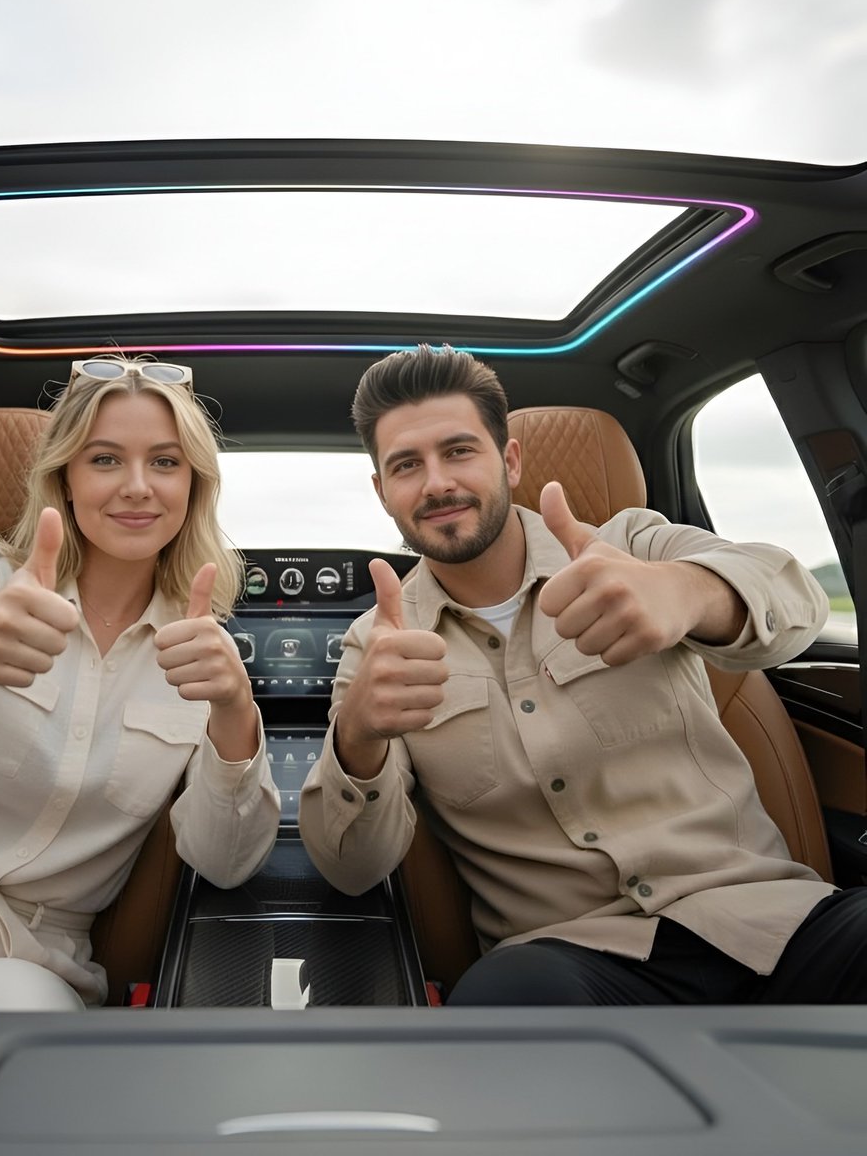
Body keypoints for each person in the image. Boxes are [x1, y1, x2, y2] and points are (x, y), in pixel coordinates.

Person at [299, 343, 867, 1006]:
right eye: (406, 465)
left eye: (459, 451)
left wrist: (688, 592)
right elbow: (352, 870)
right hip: (571, 963)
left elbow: (795, 597)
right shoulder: (378, 642)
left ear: (509, 460)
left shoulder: (633, 546)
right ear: (382, 492)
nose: (436, 483)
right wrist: (359, 735)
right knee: (501, 1002)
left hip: (770, 922)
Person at [0, 356, 280, 1011]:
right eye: (105, 459)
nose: (137, 486)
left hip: (27, 967)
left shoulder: (197, 649)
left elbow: (227, 863)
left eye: (165, 462)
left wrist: (234, 709)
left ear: (193, 487)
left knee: (10, 1005)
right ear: (66, 479)